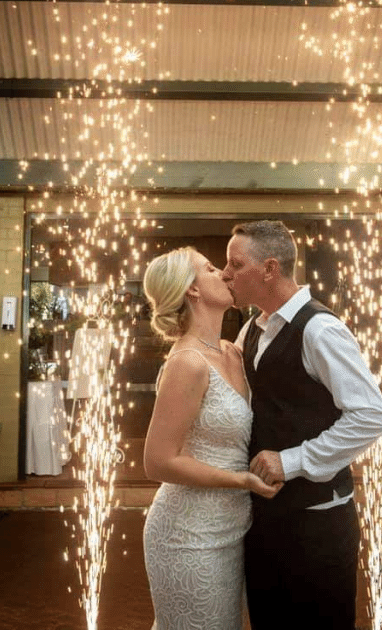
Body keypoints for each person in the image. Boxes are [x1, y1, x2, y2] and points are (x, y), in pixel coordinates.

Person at [222, 220, 382, 630]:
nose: (226, 273)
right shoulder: (250, 329)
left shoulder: (321, 329)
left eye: (234, 263)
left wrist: (294, 460)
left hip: (317, 526)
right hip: (265, 519)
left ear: (269, 269)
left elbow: (371, 414)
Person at [142, 247, 281, 630]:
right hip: (187, 535)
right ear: (192, 291)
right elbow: (157, 462)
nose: (222, 273)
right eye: (209, 268)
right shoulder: (188, 363)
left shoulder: (233, 352)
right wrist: (242, 480)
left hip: (235, 528)